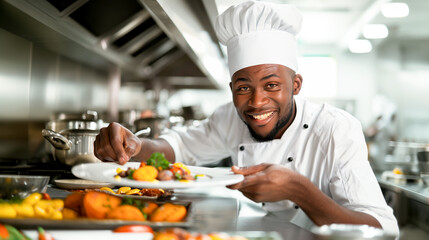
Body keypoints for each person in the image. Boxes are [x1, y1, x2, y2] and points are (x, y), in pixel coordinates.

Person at [94, 1, 399, 236]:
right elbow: (177, 148)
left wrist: (299, 190)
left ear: (296, 85)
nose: (256, 102)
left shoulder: (336, 129)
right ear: (231, 89)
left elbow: (382, 230)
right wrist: (134, 145)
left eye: (272, 85)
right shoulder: (231, 117)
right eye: (244, 88)